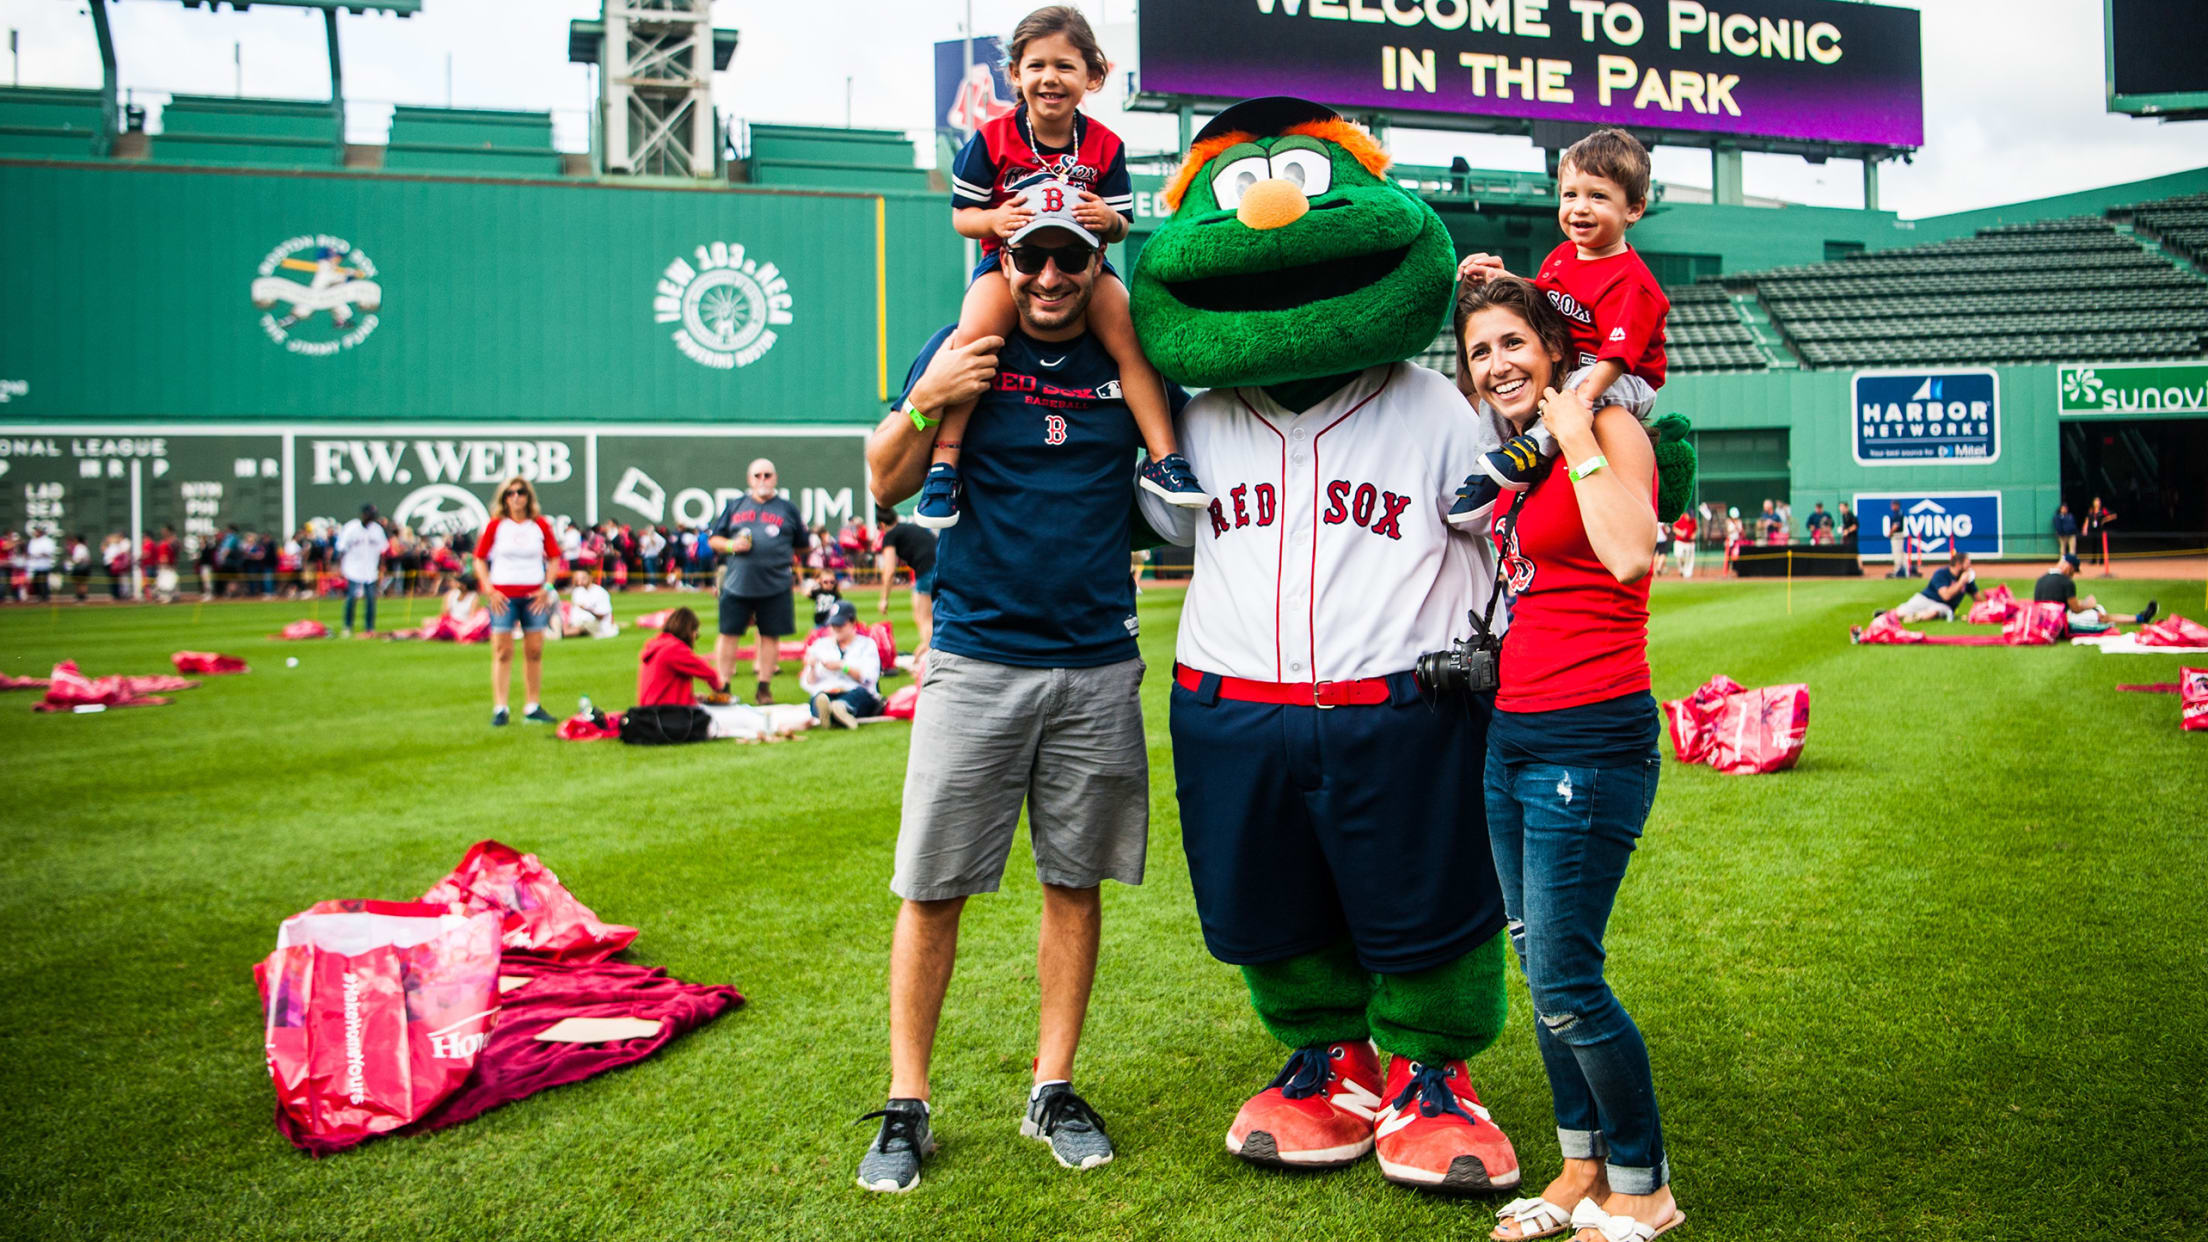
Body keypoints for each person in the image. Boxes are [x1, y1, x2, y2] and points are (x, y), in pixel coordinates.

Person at [854, 199, 1160, 1192]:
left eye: (1070, 260)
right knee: (933, 886)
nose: (1050, 279)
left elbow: (1181, 462)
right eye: (1035, 261)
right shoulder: (967, 342)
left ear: (1094, 262)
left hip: (1097, 658)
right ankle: (908, 1104)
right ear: (1012, 260)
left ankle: (1053, 1086)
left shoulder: (1130, 355)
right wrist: (922, 397)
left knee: (1073, 881)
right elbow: (885, 481)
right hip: (978, 657)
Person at [1455, 275, 1681, 1242]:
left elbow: (1632, 555)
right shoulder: (1514, 463)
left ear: (1551, 349)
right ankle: (1581, 1166)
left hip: (1592, 735)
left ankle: (1645, 1185)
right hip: (1516, 733)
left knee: (1565, 976)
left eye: (1513, 343)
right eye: (1479, 353)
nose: (1498, 365)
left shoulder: (1611, 432)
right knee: (1535, 962)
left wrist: (1580, 432)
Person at [912, 5, 1202, 531]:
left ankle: (1164, 460)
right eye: (1037, 65)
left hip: (1081, 266)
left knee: (1130, 338)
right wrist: (994, 218)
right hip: (1009, 267)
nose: (1050, 78)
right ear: (1016, 74)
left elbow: (1121, 225)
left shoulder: (1105, 144)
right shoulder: (992, 138)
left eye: (1066, 66)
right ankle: (944, 465)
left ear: (1093, 75)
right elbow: (962, 218)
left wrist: (1108, 220)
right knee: (972, 342)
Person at [1451, 127, 1668, 520]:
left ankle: (1533, 449)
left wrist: (1576, 403)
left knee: (1575, 383)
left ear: (1633, 209)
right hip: (1576, 370)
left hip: (1623, 380)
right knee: (1497, 398)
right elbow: (1548, 299)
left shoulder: (1632, 282)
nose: (1580, 208)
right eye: (1571, 195)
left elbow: (1615, 359)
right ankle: (1485, 473)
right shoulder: (1564, 255)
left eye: (1598, 196)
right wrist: (1505, 280)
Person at [708, 458, 809, 704]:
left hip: (775, 583)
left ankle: (764, 687)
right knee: (728, 634)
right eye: (757, 476)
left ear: (775, 478)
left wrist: (780, 554)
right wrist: (732, 545)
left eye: (767, 475)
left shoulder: (787, 508)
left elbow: (803, 545)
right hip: (737, 582)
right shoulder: (735, 506)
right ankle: (724, 685)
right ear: (749, 479)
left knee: (770, 635)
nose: (762, 480)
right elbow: (714, 540)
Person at [472, 476, 562, 726]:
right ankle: (501, 706)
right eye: (510, 493)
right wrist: (489, 588)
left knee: (534, 651)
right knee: (502, 651)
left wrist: (547, 586)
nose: (516, 497)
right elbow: (479, 558)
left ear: (528, 496)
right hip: (503, 595)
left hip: (533, 594)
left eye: (520, 492)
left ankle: (532, 705)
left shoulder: (539, 525)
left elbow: (554, 557)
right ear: (504, 498)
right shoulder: (496, 526)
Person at [802, 600, 885, 729]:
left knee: (859, 697)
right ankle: (828, 712)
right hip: (827, 689)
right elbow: (809, 682)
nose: (836, 629)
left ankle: (841, 709)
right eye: (833, 625)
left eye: (840, 625)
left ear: (852, 623)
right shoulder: (820, 645)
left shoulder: (866, 644)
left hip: (854, 689)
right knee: (818, 698)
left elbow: (869, 678)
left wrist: (843, 667)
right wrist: (812, 667)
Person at [2034, 553, 2155, 631]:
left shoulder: (2041, 579)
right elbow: (2075, 609)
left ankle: (2139, 617)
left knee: (2097, 611)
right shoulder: (2067, 582)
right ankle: (2139, 618)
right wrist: (2088, 605)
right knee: (2100, 615)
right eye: (2073, 571)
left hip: (2041, 622)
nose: (2072, 575)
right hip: (2059, 624)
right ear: (2069, 567)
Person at [874, 505, 937, 655]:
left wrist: (884, 599)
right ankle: (927, 647)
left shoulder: (890, 535)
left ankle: (929, 653)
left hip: (928, 568)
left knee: (924, 617)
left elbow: (889, 570)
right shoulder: (909, 528)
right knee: (919, 608)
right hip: (938, 565)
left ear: (882, 525)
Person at [636, 607, 727, 707]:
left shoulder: (658, 645)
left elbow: (663, 689)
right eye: (696, 635)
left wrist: (691, 698)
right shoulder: (675, 649)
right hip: (667, 714)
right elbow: (711, 675)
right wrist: (723, 694)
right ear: (690, 632)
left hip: (650, 712)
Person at [335, 504, 388, 636]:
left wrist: (382, 568)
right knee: (352, 597)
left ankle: (369, 628)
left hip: (370, 569)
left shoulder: (377, 529)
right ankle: (348, 626)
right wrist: (340, 567)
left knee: (371, 598)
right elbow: (341, 548)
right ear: (364, 514)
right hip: (353, 568)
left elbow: (383, 550)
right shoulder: (351, 527)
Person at [1886, 550, 1979, 622]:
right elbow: (1946, 596)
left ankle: (1915, 617)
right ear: (1959, 565)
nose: (1970, 567)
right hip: (1926, 598)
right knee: (1901, 611)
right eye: (1968, 564)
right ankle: (1884, 616)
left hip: (1944, 606)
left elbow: (1978, 599)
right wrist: (1961, 582)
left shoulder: (1968, 578)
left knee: (1934, 612)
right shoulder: (1942, 573)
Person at [563, 567, 618, 639]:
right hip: (578, 622)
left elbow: (603, 615)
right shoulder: (577, 591)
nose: (580, 581)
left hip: (594, 623)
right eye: (577, 578)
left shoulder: (600, 592)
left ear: (590, 577)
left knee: (571, 631)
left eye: (583, 578)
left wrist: (586, 609)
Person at [2083, 497, 2117, 574]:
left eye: (2098, 501)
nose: (2097, 502)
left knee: (2101, 545)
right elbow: (2087, 519)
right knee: (2093, 545)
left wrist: (2105, 520)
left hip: (2100, 530)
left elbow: (2114, 515)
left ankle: (2101, 560)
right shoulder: (2091, 510)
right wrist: (2085, 528)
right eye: (2095, 501)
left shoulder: (2103, 510)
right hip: (2093, 530)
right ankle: (2094, 560)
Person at [23, 526, 56, 603]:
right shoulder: (33, 541)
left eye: (37, 531)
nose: (35, 532)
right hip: (34, 565)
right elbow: (30, 553)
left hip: (44, 565)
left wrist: (39, 555)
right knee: (36, 582)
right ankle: (39, 597)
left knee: (43, 582)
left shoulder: (47, 541)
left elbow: (49, 552)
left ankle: (45, 597)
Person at [1883, 500, 1912, 578]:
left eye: (1893, 505)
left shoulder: (1897, 514)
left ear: (1897, 505)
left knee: (1897, 554)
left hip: (1896, 535)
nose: (1892, 507)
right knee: (1901, 553)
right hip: (1899, 535)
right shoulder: (1900, 513)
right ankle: (1906, 571)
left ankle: (1898, 571)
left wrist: (1890, 533)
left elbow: (1896, 525)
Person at [1671, 508, 1698, 579]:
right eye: (1689, 516)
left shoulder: (1694, 521)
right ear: (1686, 514)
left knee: (1690, 558)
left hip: (1689, 542)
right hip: (1680, 541)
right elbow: (1674, 528)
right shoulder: (1680, 518)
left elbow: (1696, 529)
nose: (1690, 518)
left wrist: (1694, 535)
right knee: (1678, 556)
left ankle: (1688, 573)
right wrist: (1681, 533)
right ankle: (1681, 570)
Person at [66, 533, 92, 602]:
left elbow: (78, 559)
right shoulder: (82, 547)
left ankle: (81, 596)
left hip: (81, 567)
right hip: (83, 566)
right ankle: (80, 596)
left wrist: (71, 560)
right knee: (81, 582)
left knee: (81, 582)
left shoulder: (80, 547)